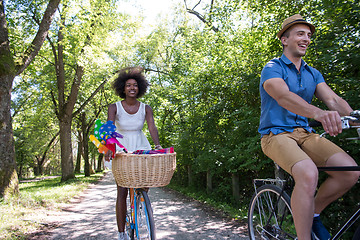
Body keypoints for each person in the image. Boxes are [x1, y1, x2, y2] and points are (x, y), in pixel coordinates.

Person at [258, 14, 360, 240]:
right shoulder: (272, 67)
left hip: (306, 134)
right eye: (300, 34)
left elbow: (333, 100)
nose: (306, 39)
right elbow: (283, 96)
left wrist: (355, 117)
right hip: (275, 135)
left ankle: (312, 213)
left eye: (309, 35)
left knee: (350, 172)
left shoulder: (312, 73)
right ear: (284, 39)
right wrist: (319, 113)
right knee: (307, 172)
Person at [105, 67, 162, 240]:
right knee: (121, 190)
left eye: (135, 85)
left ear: (140, 88)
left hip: (140, 144)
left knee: (145, 181)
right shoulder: (114, 107)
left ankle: (139, 200)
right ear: (123, 88)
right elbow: (110, 126)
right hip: (121, 146)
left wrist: (158, 145)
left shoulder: (146, 108)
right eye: (128, 85)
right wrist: (109, 146)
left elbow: (151, 126)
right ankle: (121, 232)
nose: (132, 88)